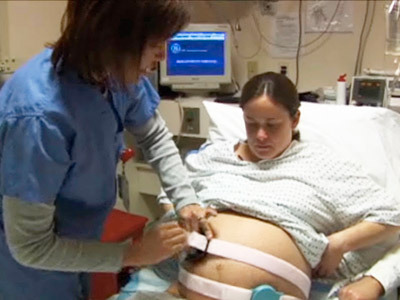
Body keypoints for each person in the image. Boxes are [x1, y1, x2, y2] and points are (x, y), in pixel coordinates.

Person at [0, 1, 216, 299]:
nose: (164, 55)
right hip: (29, 275)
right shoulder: (39, 119)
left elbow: (153, 135)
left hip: (79, 245)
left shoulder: (114, 71)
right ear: (112, 37)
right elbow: (30, 247)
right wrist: (132, 254)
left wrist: (186, 198)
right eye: (155, 43)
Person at [149, 72, 400, 300]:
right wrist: (183, 220)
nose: (260, 135)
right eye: (251, 123)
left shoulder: (320, 164)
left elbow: (392, 215)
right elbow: (170, 192)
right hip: (183, 290)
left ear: (295, 120)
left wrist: (339, 243)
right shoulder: (213, 156)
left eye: (272, 124)